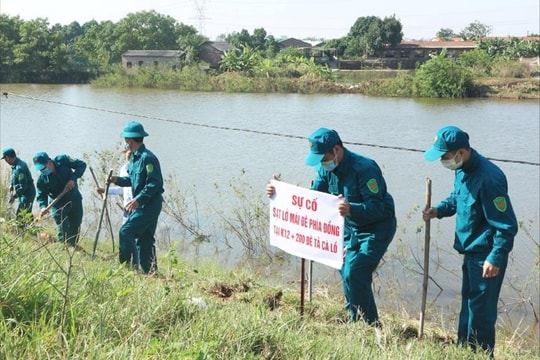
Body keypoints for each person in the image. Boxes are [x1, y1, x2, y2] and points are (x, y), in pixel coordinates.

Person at [266, 128, 396, 326]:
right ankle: (354, 314)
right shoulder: (325, 170)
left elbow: (377, 208)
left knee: (356, 272)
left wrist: (352, 208)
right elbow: (311, 199)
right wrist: (281, 192)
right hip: (350, 227)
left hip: (376, 227)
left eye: (322, 157)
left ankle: (369, 325)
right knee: (345, 269)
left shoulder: (365, 168)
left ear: (336, 149)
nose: (320, 163)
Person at [422, 126, 518, 356]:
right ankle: (463, 351)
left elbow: (506, 226)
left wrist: (495, 257)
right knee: (468, 304)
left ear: (461, 152)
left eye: (444, 156)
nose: (443, 161)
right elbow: (457, 197)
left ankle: (482, 354)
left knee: (481, 313)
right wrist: (438, 210)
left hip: (486, 255)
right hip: (470, 251)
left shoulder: (489, 178)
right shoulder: (462, 169)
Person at [108, 121, 164, 274]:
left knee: (126, 232)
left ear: (130, 140)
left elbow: (155, 184)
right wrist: (116, 180)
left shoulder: (147, 158)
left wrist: (138, 199)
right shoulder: (134, 158)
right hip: (142, 204)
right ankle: (150, 272)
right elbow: (133, 181)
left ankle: (127, 268)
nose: (125, 143)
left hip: (150, 205)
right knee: (145, 239)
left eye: (126, 140)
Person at [33, 151, 87, 246]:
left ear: (49, 162)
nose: (42, 171)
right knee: (62, 226)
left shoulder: (63, 160)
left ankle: (72, 246)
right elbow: (41, 195)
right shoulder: (42, 180)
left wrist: (73, 178)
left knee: (76, 222)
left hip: (74, 199)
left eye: (43, 168)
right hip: (57, 204)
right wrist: (43, 207)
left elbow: (81, 165)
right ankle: (63, 246)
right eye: (40, 169)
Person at [97, 149, 139, 266]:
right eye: (128, 153)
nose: (130, 155)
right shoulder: (123, 169)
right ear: (125, 153)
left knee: (134, 237)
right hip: (127, 209)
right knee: (125, 235)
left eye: (132, 153)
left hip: (137, 207)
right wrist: (106, 191)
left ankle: (137, 263)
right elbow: (123, 189)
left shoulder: (140, 167)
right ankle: (126, 263)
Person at [2, 147, 36, 223]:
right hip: (23, 193)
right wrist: (11, 184)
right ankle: (32, 229)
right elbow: (14, 175)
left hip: (27, 193)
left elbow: (23, 186)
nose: (5, 161)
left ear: (7, 158)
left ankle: (24, 230)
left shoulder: (20, 168)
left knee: (21, 215)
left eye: (5, 159)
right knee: (26, 212)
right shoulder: (16, 164)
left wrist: (14, 196)